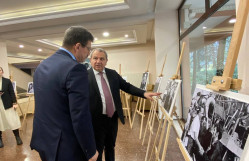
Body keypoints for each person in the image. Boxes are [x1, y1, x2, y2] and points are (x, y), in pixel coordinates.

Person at [30, 26, 98, 161]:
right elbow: (80, 115)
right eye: (88, 49)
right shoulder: (76, 69)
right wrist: (90, 150)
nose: (89, 54)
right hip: (65, 146)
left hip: (44, 139)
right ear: (78, 46)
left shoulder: (42, 65)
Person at [88, 48, 161, 161]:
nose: (98, 61)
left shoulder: (112, 74)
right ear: (90, 60)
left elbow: (127, 86)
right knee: (98, 149)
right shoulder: (84, 76)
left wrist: (144, 93)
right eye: (95, 58)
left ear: (106, 61)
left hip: (112, 118)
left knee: (111, 147)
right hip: (95, 120)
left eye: (102, 59)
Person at [0, 67, 23, 148]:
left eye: (0, 70)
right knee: (0, 122)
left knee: (12, 121)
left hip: (7, 104)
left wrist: (14, 102)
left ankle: (17, 137)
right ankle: (0, 139)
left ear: (2, 71)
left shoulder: (7, 81)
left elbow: (12, 92)